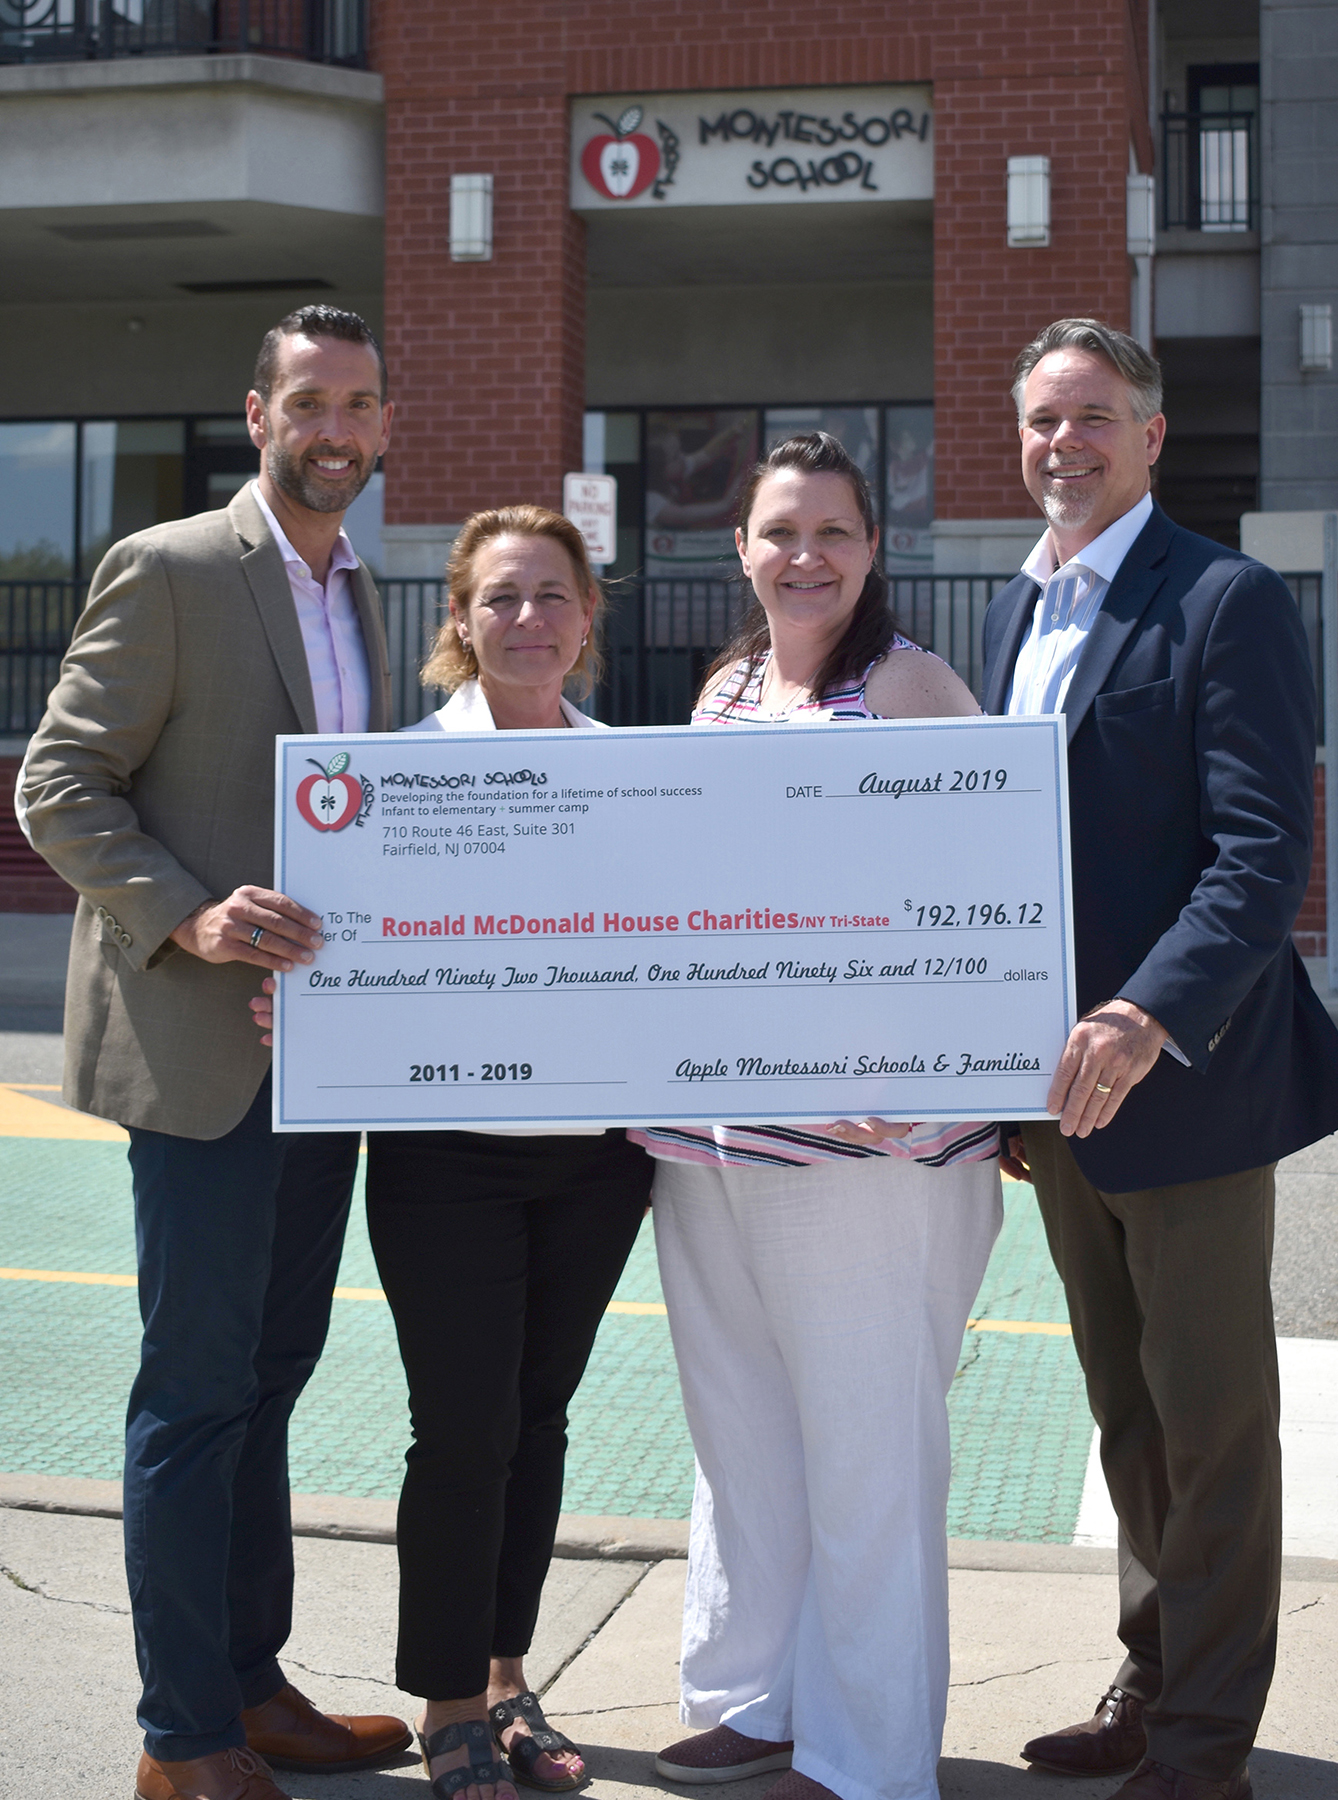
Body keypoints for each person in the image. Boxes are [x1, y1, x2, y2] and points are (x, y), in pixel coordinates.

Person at [18, 306, 411, 1800]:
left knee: (271, 1377)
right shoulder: (175, 566)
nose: (336, 428)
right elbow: (62, 785)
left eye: (360, 405)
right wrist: (190, 921)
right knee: (193, 1393)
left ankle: (250, 1687)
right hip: (202, 1057)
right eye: (310, 401)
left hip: (325, 1062)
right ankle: (181, 1737)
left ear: (383, 428)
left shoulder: (366, 592)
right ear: (258, 417)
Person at [983, 318, 1338, 1800]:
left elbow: (1263, 854)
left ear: (1147, 434)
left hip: (1181, 1084)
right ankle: (1151, 1674)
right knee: (1122, 1410)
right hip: (1052, 1096)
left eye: (1088, 418)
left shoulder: (1223, 598)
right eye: (1039, 421)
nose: (1059, 443)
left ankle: (1201, 1746)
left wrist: (1144, 1014)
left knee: (1210, 1425)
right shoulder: (1021, 613)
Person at [252, 505, 653, 1800]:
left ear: (588, 619)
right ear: (459, 626)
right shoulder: (389, 776)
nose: (526, 619)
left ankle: (508, 1677)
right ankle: (445, 1703)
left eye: (550, 596)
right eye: (499, 599)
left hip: (596, 1155)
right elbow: (340, 949)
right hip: (446, 1160)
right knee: (465, 1426)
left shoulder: (639, 775)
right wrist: (304, 1002)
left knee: (540, 1420)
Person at [631, 433, 1003, 1800]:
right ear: (740, 548)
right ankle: (754, 1697)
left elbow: (1001, 902)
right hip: (711, 1143)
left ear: (872, 549)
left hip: (869, 1154)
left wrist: (915, 1077)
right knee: (741, 1435)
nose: (804, 556)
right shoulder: (723, 689)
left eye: (833, 532)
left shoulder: (910, 687)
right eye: (779, 531)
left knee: (865, 1455)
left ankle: (867, 1755)